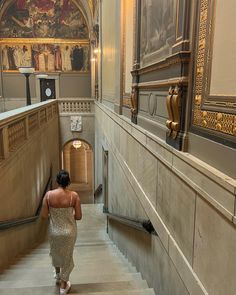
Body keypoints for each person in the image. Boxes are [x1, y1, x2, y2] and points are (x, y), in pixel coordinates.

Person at [42, 170, 82, 294]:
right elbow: (79, 216)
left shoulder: (49, 195)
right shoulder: (73, 196)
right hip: (69, 232)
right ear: (68, 181)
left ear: (57, 181)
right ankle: (64, 285)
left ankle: (58, 274)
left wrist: (55, 215)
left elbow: (44, 216)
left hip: (54, 231)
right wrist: (69, 215)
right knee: (67, 256)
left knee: (55, 252)